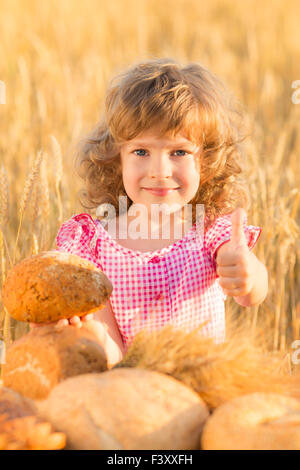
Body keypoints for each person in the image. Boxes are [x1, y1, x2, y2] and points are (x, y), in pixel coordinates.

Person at [31, 58, 268, 366]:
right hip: (132, 398)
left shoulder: (211, 232)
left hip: (203, 392)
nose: (159, 171)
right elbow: (112, 352)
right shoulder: (93, 246)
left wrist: (247, 275)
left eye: (179, 152)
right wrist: (85, 336)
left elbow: (251, 295)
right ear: (118, 159)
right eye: (141, 152)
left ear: (206, 161)